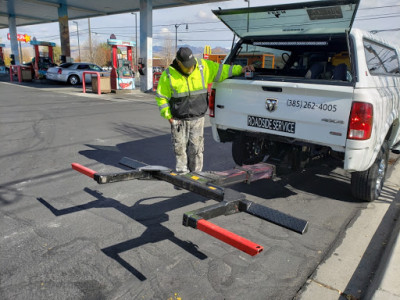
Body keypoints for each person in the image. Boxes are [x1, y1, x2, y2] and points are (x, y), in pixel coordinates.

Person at [155, 47, 254, 174]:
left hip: (197, 118)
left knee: (196, 149)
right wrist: (168, 116)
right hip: (178, 119)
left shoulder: (202, 66)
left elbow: (223, 70)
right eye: (187, 66)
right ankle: (182, 175)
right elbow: (161, 97)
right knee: (180, 148)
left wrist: (241, 69)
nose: (191, 68)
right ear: (178, 63)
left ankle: (196, 175)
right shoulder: (169, 74)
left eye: (192, 65)